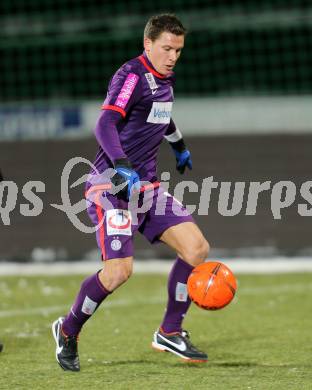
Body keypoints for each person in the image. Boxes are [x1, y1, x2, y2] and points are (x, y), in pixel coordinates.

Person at [52, 13, 210, 372]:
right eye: (167, 48)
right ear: (148, 44)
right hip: (111, 187)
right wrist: (122, 164)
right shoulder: (131, 75)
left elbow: (162, 115)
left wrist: (179, 144)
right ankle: (68, 328)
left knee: (197, 249)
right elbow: (105, 121)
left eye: (178, 50)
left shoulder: (165, 82)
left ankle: (169, 331)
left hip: (147, 188)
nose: (173, 56)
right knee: (118, 272)